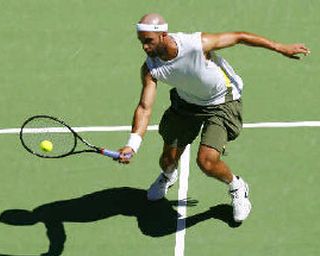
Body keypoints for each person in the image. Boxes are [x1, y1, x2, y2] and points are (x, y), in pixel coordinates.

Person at [117, 13, 310, 222]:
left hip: (222, 101)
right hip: (187, 104)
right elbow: (145, 107)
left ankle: (237, 186)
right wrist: (132, 145)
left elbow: (239, 36)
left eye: (148, 41)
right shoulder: (151, 68)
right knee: (167, 160)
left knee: (206, 161)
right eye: (141, 42)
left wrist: (281, 47)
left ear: (163, 35)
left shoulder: (196, 44)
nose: (145, 47)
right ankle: (169, 175)